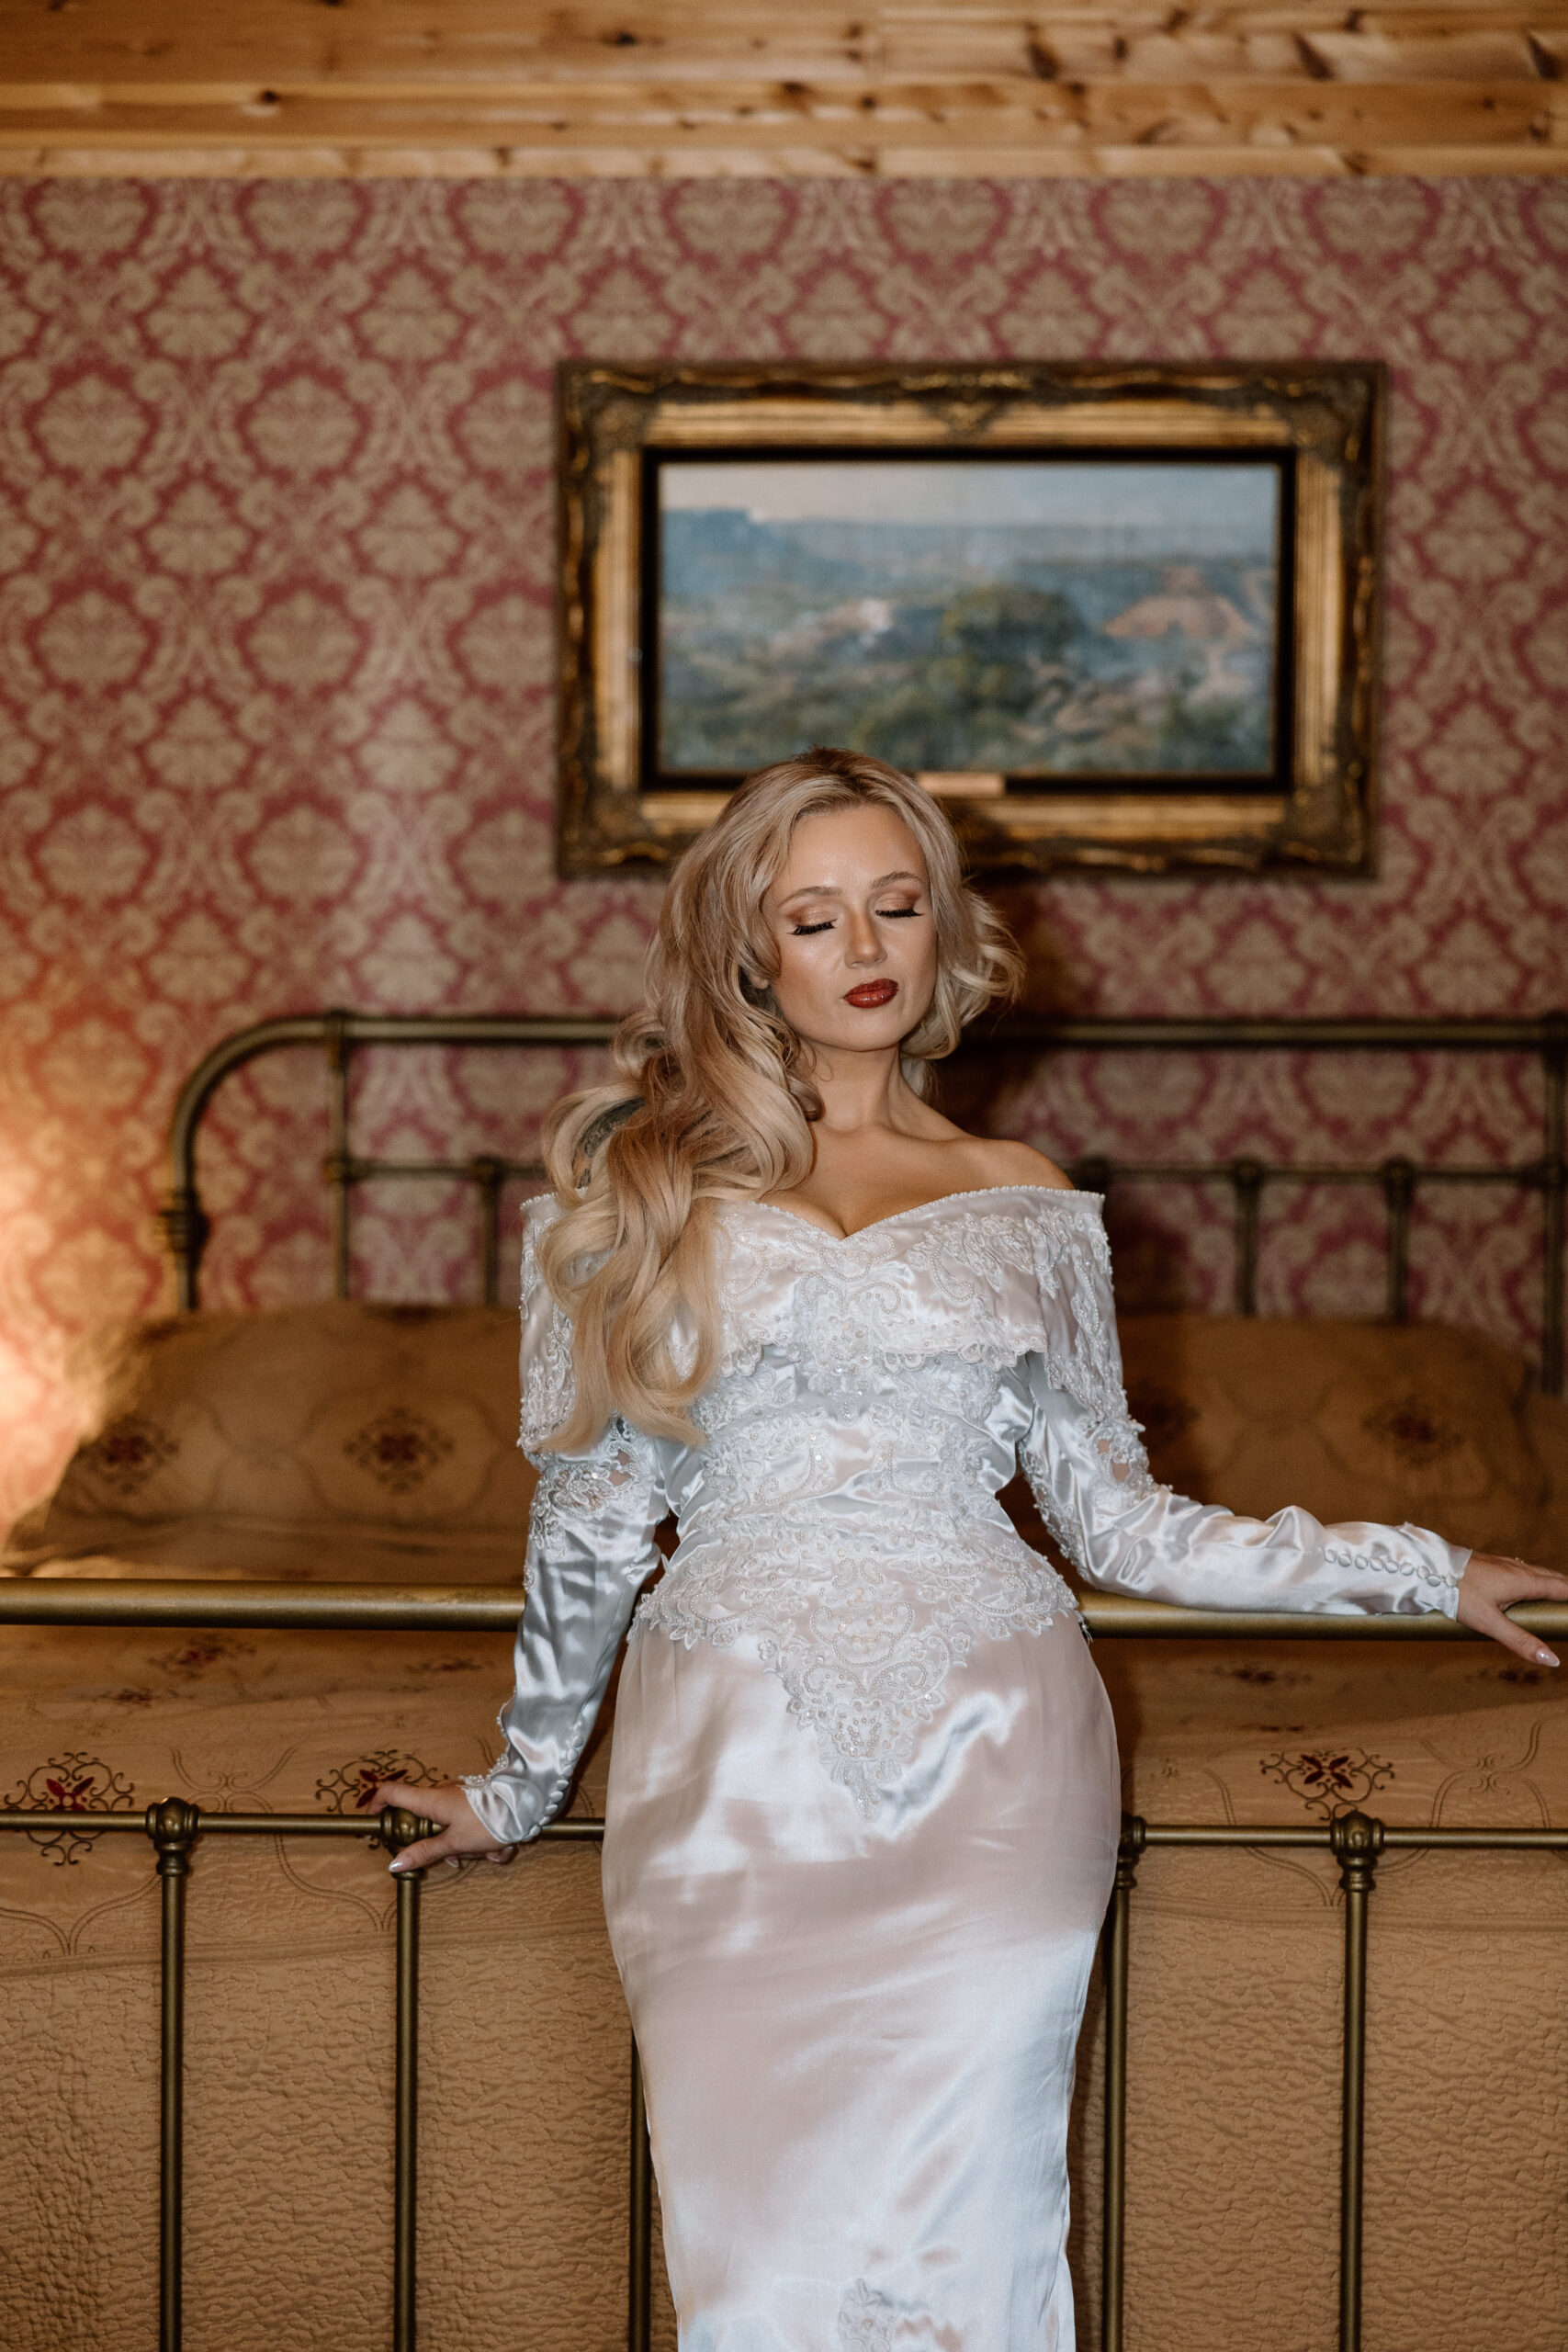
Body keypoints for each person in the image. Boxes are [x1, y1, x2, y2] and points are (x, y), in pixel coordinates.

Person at [375, 748, 1565, 2352]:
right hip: (730, 1764)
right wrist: (514, 1785)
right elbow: (591, 1519)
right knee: (754, 2257)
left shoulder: (1024, 1200)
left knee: (977, 2226)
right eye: (814, 919)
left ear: (942, 932)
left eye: (896, 904)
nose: (864, 949)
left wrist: (1428, 1568)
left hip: (994, 1748)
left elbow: (1121, 1521)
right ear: (750, 952)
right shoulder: (635, 1195)